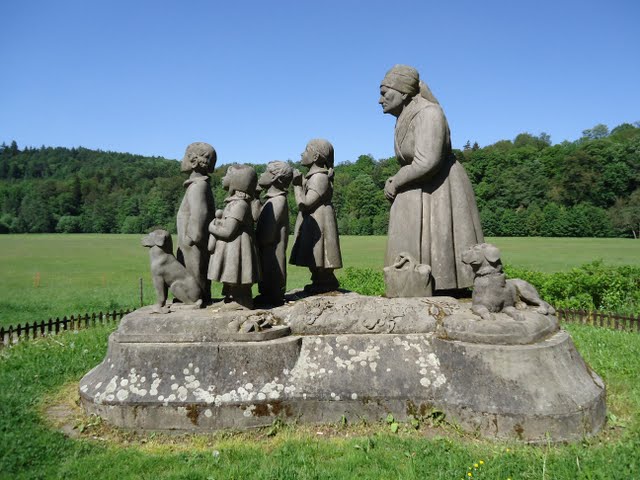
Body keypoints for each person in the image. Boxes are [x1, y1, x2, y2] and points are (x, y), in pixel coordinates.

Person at [379, 65, 484, 294]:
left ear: (404, 92)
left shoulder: (429, 113)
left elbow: (427, 161)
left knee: (440, 249)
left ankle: (443, 292)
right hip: (419, 189)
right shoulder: (405, 117)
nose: (380, 100)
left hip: (440, 189)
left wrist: (396, 180)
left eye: (384, 92)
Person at [290, 139, 343, 293]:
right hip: (316, 220)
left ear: (315, 157)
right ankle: (319, 280)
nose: (302, 153)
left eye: (306, 150)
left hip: (320, 221)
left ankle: (325, 282)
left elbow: (305, 203)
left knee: (320, 254)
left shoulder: (319, 178)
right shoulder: (315, 176)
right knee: (315, 255)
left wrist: (297, 186)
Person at [207, 164, 260, 309]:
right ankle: (231, 298)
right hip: (233, 246)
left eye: (227, 175)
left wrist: (212, 227)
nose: (223, 178)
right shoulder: (236, 203)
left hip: (238, 247)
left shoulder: (239, 205)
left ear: (237, 181)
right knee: (232, 275)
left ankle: (241, 301)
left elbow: (228, 231)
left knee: (237, 274)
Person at [176, 142, 216, 304]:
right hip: (189, 243)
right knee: (191, 271)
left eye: (185, 156)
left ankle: (196, 298)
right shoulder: (197, 185)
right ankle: (195, 297)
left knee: (195, 271)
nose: (182, 160)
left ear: (193, 161)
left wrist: (191, 237)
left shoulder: (198, 186)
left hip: (192, 244)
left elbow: (200, 214)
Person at [255, 161, 293, 306]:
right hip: (267, 253)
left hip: (272, 255)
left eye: (265, 172)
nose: (261, 174)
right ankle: (268, 294)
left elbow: (266, 236)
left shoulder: (278, 201)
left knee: (271, 278)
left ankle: (273, 296)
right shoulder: (271, 200)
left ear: (274, 178)